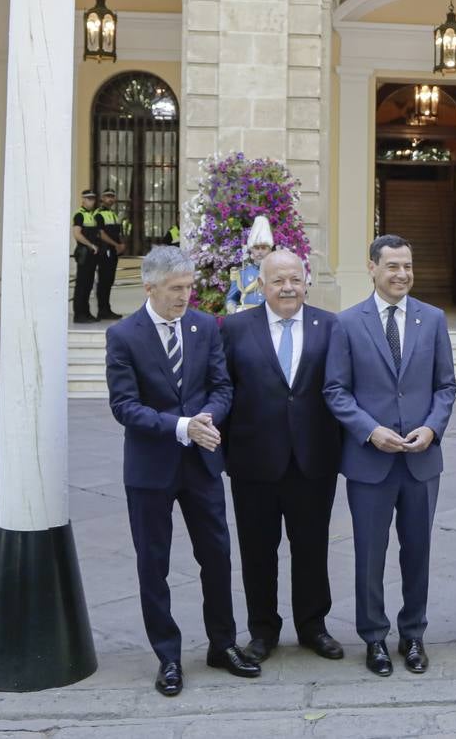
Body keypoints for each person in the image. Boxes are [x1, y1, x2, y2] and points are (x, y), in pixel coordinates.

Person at [104, 245, 258, 696]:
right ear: (149, 287)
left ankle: (222, 644)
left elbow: (221, 386)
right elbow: (124, 406)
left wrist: (206, 418)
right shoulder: (123, 335)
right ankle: (168, 656)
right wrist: (181, 426)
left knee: (217, 556)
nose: (184, 296)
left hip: (202, 464)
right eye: (175, 288)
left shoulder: (205, 326)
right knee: (154, 563)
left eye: (189, 287)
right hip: (150, 469)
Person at [325, 235, 456, 676]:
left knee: (418, 553)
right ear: (372, 268)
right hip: (370, 462)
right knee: (369, 555)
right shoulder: (347, 323)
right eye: (393, 266)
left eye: (408, 266)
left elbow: (446, 386)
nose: (402, 274)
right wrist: (369, 431)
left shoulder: (433, 319)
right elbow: (336, 390)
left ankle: (413, 634)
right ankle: (374, 638)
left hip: (421, 461)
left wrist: (432, 428)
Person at [219, 249, 343, 665]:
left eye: (294, 279)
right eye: (278, 281)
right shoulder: (235, 328)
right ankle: (262, 631)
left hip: (314, 459)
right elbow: (223, 390)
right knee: (257, 551)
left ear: (306, 281)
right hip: (253, 461)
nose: (287, 287)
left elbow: (341, 389)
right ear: (262, 285)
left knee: (312, 547)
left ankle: (313, 626)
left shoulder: (331, 326)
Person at [226, 216, 273, 313]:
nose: (260, 252)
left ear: (270, 250)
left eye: (264, 248)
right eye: (256, 248)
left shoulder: (277, 272)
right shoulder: (242, 273)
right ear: (251, 250)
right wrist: (232, 308)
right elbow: (231, 299)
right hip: (247, 317)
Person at [72, 189, 102, 324]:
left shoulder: (92, 215)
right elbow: (77, 234)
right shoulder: (79, 214)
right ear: (83, 199)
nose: (91, 201)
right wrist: (90, 245)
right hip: (84, 253)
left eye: (93, 199)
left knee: (88, 284)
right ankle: (79, 315)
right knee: (82, 284)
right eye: (89, 199)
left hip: (92, 255)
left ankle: (86, 313)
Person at [96, 188, 126, 320]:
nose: (110, 199)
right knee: (104, 281)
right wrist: (116, 245)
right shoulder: (99, 214)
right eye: (107, 196)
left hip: (113, 252)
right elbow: (101, 234)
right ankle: (102, 310)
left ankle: (107, 309)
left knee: (109, 281)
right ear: (102, 198)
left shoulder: (113, 214)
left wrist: (121, 244)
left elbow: (117, 233)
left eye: (112, 196)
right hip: (105, 251)